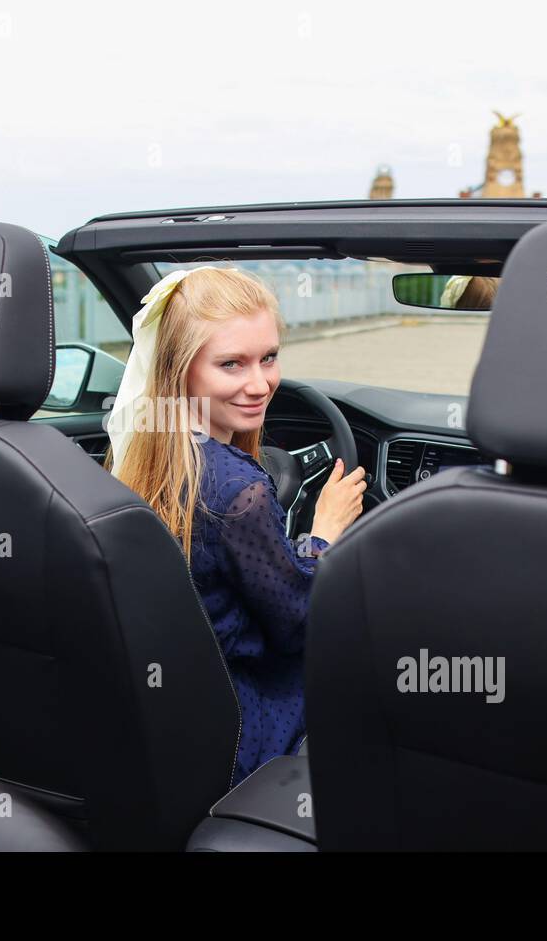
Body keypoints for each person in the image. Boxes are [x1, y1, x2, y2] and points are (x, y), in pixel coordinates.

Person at [104, 266, 367, 785]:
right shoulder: (237, 491)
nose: (260, 383)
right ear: (181, 370)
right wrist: (326, 532)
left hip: (174, 699)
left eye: (269, 358)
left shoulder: (145, 456)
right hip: (245, 710)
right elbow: (298, 627)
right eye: (231, 364)